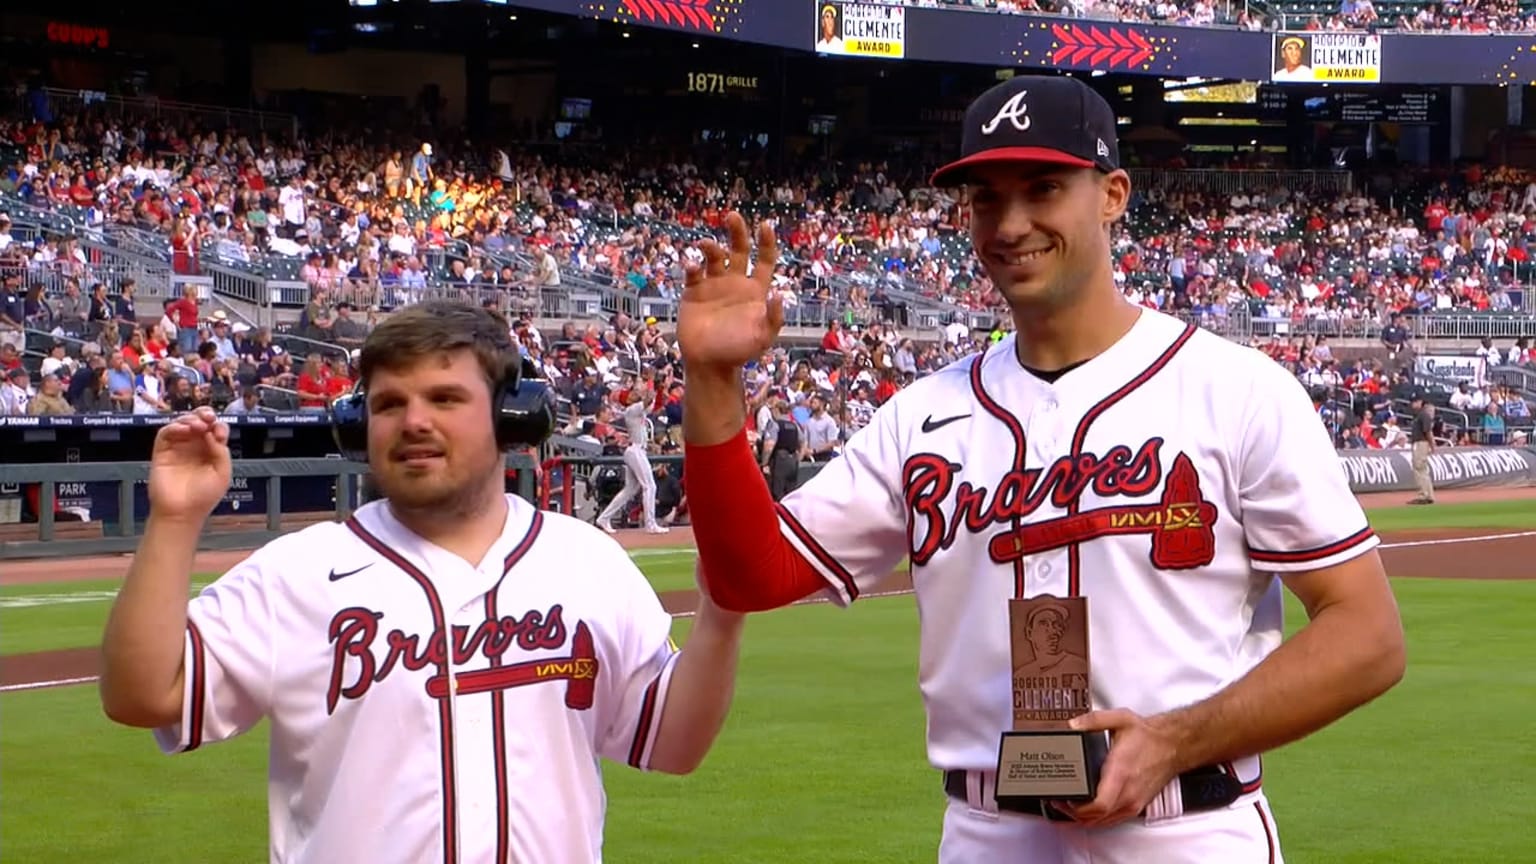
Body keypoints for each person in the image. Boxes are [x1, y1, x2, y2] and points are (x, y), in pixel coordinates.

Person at [676, 75, 1405, 863]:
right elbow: (749, 577)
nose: (1011, 223)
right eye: (987, 198)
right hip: (991, 834)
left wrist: (1171, 740)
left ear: (1112, 194)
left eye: (1045, 188)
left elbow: (1367, 636)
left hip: (1189, 826)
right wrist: (715, 383)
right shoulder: (919, 417)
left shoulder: (1238, 390)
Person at [99, 300, 745, 863]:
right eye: (388, 404)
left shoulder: (587, 562)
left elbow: (674, 740)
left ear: (511, 418)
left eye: (444, 398)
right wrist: (176, 520)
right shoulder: (300, 572)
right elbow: (144, 695)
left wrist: (721, 612)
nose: (413, 422)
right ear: (359, 425)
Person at [596, 380, 669, 534]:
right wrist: (651, 382)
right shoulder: (632, 409)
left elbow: (656, 406)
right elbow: (648, 400)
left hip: (635, 450)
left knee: (630, 489)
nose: (634, 394)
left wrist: (660, 388)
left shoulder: (637, 410)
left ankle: (603, 518)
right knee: (650, 486)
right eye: (631, 394)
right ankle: (650, 524)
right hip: (635, 450)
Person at [1408, 395, 1437, 504]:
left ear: (1420, 402)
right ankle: (1429, 495)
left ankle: (1423, 495)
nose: (1413, 404)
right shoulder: (1419, 415)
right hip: (1420, 442)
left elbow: (1428, 431)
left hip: (1421, 443)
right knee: (1423, 470)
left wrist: (1432, 444)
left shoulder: (1423, 415)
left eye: (1415, 402)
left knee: (1419, 468)